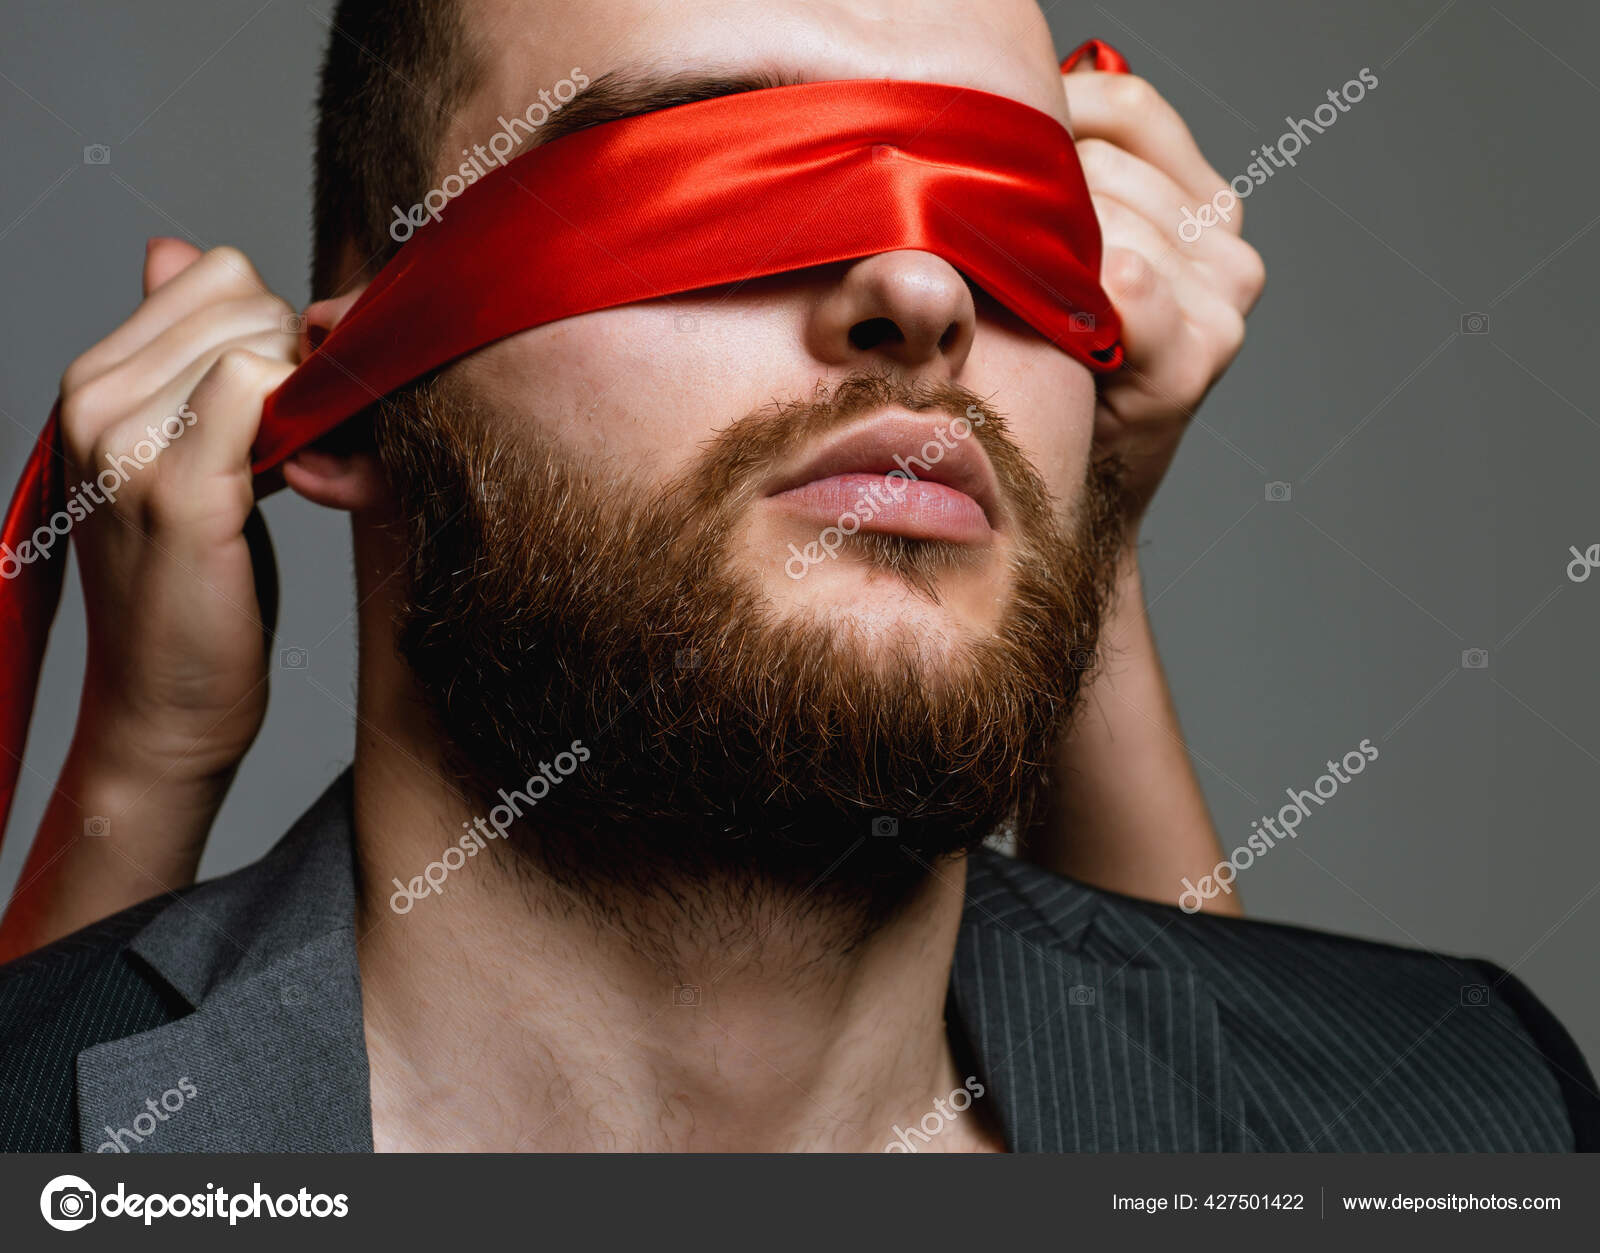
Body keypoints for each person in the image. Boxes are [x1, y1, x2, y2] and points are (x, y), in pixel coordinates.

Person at [0, 0, 1591, 1153]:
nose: (921, 285)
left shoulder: (1476, 1118)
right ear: (344, 399)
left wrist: (1050, 515)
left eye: (1015, 212)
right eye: (714, 175)